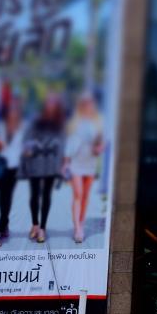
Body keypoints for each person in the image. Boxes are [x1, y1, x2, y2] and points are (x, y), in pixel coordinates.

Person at [20, 92, 64, 244]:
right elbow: (27, 138)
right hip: (36, 161)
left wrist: (60, 163)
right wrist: (29, 148)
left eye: (53, 103)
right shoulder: (36, 120)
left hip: (51, 162)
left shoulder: (58, 123)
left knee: (46, 195)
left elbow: (62, 143)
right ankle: (35, 224)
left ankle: (43, 228)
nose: (50, 106)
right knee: (34, 194)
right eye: (48, 102)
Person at [63, 93, 104, 244]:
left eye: (90, 103)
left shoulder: (98, 122)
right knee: (78, 194)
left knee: (85, 196)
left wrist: (99, 148)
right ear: (81, 105)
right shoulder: (75, 122)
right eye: (85, 103)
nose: (88, 106)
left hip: (90, 163)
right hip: (76, 162)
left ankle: (80, 223)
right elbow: (69, 143)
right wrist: (66, 161)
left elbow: (102, 143)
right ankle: (77, 229)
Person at [0, 95, 25, 248]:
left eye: (14, 110)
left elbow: (24, 146)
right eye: (10, 110)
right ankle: (4, 224)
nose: (12, 113)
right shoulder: (0, 126)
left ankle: (1, 226)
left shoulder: (22, 127)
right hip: (0, 165)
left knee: (8, 196)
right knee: (2, 196)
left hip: (14, 166)